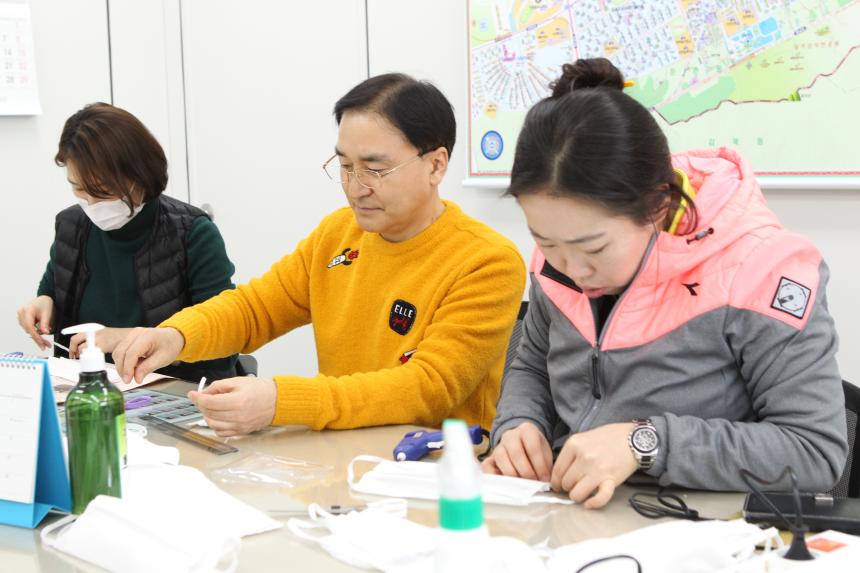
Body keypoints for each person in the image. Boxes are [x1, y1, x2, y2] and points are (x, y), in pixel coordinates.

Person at [482, 58, 847, 509]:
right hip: (572, 512)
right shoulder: (559, 258)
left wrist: (644, 443)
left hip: (702, 527)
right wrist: (519, 424)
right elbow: (534, 365)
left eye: (594, 248)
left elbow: (813, 450)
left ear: (657, 205)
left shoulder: (762, 270)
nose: (572, 269)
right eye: (545, 241)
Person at [112, 73, 526, 436]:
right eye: (345, 166)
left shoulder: (486, 261)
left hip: (434, 469)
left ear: (436, 165)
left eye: (375, 169)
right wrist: (176, 336)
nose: (356, 187)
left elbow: (426, 388)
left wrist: (281, 400)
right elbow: (256, 309)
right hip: (340, 449)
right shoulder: (338, 234)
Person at [17, 103, 237, 381]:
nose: (92, 204)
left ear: (140, 176)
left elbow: (225, 343)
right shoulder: (71, 226)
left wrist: (125, 338)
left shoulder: (192, 233)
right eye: (79, 189)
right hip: (90, 387)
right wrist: (43, 302)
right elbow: (52, 290)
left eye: (104, 191)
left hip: (175, 391)